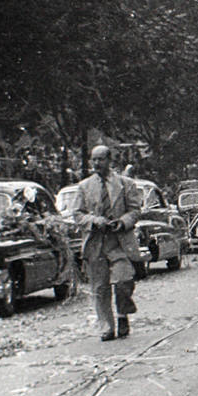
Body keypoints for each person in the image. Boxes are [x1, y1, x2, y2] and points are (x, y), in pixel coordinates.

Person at [70, 145, 142, 341]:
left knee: (123, 280)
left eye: (101, 159)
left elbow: (135, 211)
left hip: (119, 242)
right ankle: (107, 327)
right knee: (100, 288)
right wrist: (94, 221)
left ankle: (122, 314)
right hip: (95, 243)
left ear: (110, 161)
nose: (96, 164)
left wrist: (123, 222)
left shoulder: (125, 184)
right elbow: (77, 214)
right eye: (93, 160)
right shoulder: (84, 186)